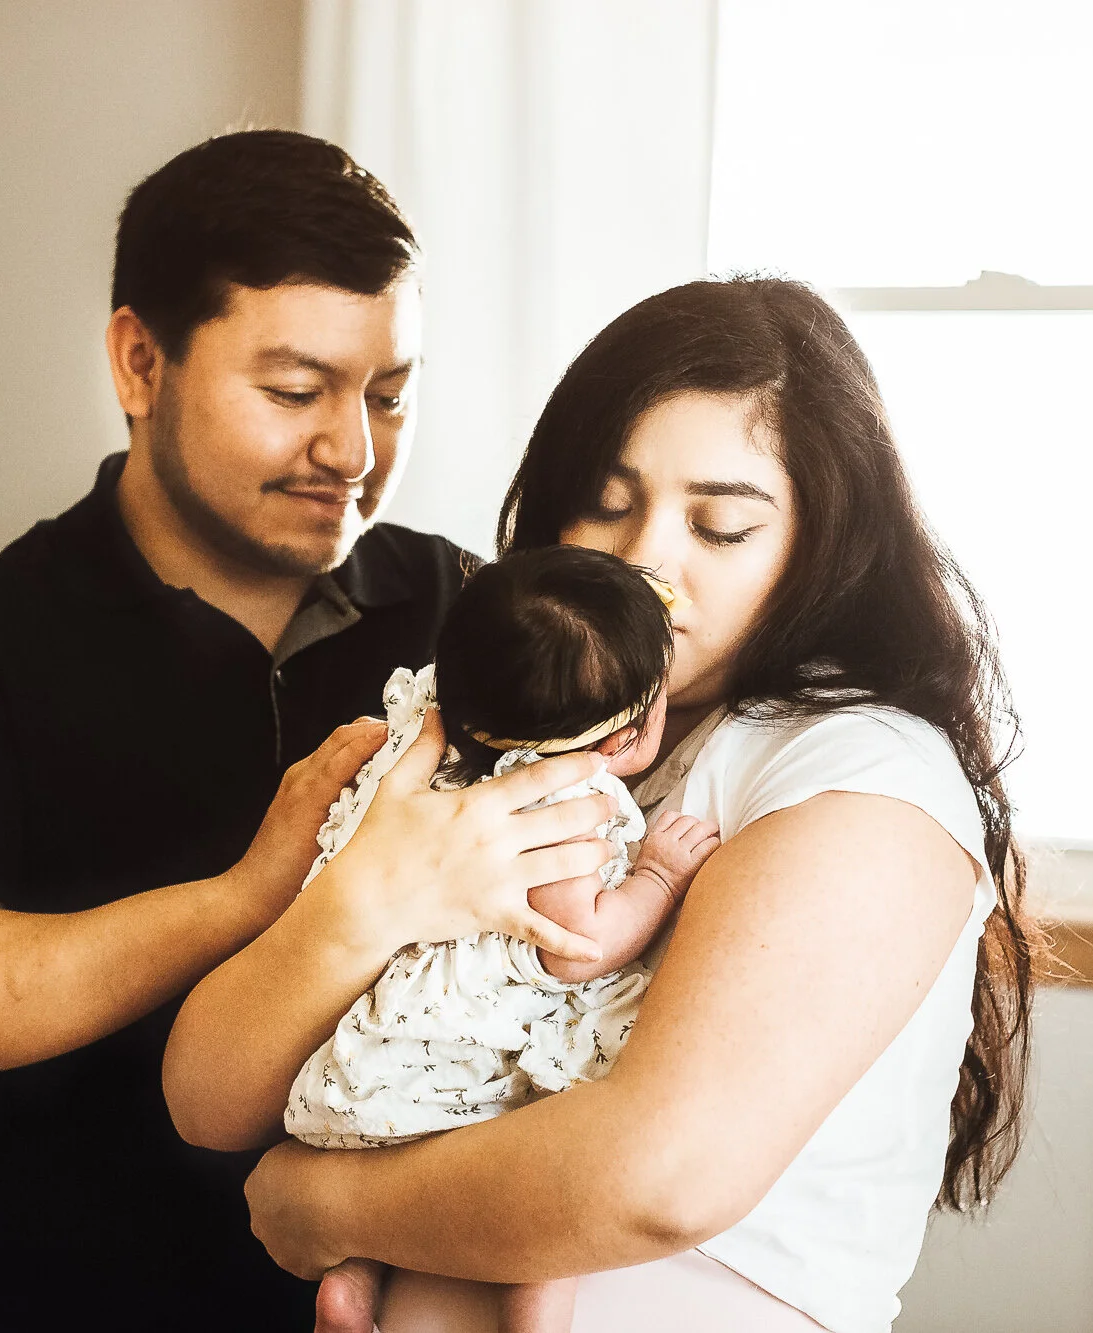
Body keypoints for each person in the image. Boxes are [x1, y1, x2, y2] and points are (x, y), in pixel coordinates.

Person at [0, 130, 617, 1331]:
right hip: (59, 1299)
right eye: (294, 393)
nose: (351, 450)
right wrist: (248, 898)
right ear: (140, 362)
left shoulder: (478, 613)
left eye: (387, 396)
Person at [166, 276, 1040, 1331]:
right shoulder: (512, 735)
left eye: (718, 526)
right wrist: (367, 901)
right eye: (609, 505)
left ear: (823, 547)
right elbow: (209, 1099)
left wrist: (326, 1203)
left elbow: (659, 1176)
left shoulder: (856, 770)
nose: (643, 562)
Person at [286, 548, 723, 1333]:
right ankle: (535, 1316)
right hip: (464, 1059)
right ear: (628, 734)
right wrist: (656, 875)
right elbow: (576, 942)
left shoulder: (441, 758)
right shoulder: (565, 800)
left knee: (378, 1174)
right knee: (550, 1199)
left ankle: (352, 1285)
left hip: (376, 1050)